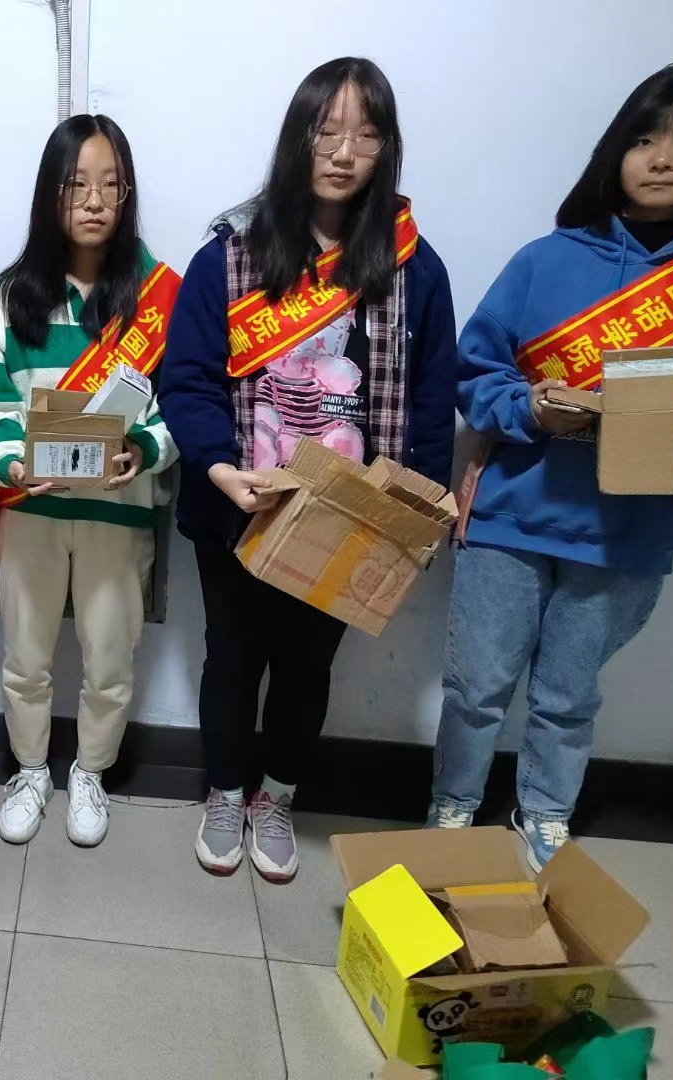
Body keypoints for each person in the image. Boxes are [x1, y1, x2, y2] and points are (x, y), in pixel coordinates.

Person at [158, 57, 458, 883]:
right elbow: (186, 379)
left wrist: (417, 514)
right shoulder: (229, 258)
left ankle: (278, 797)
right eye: (327, 131)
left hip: (352, 520)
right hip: (240, 507)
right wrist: (218, 467)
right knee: (231, 661)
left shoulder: (415, 268)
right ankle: (226, 792)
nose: (344, 152)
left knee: (306, 669)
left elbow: (433, 401)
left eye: (366, 135)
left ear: (387, 149)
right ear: (298, 139)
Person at [429, 59, 673, 869]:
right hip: (510, 516)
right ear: (614, 151)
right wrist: (529, 410)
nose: (663, 158)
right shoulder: (545, 260)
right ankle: (452, 802)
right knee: (475, 687)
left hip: (628, 532)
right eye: (644, 139)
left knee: (569, 696)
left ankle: (546, 811)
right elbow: (474, 371)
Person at [0, 114, 180, 846]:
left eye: (110, 186)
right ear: (48, 194)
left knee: (109, 661)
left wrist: (143, 451)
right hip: (32, 509)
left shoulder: (157, 295)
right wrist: (12, 463)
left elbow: (182, 408)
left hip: (119, 512)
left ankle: (90, 772)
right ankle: (31, 769)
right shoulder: (10, 295)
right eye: (76, 185)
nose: (94, 201)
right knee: (24, 658)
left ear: (127, 196)